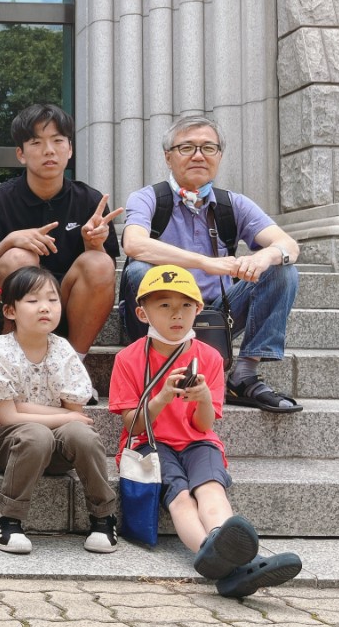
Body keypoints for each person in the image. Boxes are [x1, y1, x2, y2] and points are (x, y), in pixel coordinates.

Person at [109, 265, 302, 598]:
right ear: (142, 313)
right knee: (181, 498)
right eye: (164, 305)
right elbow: (133, 425)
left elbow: (204, 426)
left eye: (186, 305)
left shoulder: (210, 357)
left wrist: (201, 399)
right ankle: (222, 557)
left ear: (199, 310)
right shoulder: (129, 358)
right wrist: (162, 397)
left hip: (198, 442)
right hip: (150, 444)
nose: (176, 314)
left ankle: (223, 550)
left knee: (211, 489)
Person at [120, 115, 302, 413]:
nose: (198, 155)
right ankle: (153, 362)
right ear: (168, 157)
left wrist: (263, 256)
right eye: (186, 147)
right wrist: (206, 263)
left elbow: (289, 246)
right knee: (139, 270)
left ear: (219, 156)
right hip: (157, 312)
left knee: (281, 269)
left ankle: (243, 375)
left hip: (216, 314)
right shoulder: (148, 198)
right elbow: (134, 244)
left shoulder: (232, 204)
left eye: (208, 148)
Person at [0, 266, 118, 555]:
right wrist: (63, 414)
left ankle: (103, 517)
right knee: (37, 434)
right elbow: (8, 417)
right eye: (33, 300)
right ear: (10, 311)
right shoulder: (0, 350)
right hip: (6, 444)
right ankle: (6, 517)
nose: (45, 307)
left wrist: (29, 407)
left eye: (53, 300)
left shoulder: (63, 349)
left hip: (55, 449)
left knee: (83, 435)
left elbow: (75, 415)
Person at [0, 104, 121, 355]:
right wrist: (10, 241)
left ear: (70, 149)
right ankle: (12, 360)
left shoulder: (89, 201)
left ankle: (73, 364)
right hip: (4, 317)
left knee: (99, 262)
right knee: (19, 257)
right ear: (21, 154)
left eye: (58, 140)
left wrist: (94, 244)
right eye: (36, 142)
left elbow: (102, 276)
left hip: (64, 310)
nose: (49, 150)